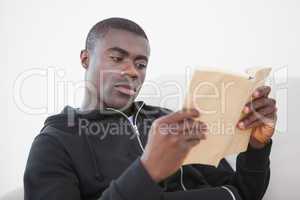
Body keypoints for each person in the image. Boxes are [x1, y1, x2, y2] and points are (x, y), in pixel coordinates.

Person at [24, 17, 277, 200]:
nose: (132, 71)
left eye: (141, 63)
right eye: (117, 58)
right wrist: (146, 171)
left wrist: (256, 147)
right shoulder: (54, 143)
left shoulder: (168, 121)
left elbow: (243, 192)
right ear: (85, 58)